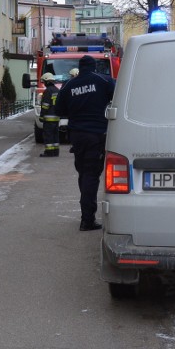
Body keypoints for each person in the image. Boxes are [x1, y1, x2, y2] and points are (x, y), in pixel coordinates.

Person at [54, 55, 115, 230]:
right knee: (91, 175)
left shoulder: (69, 85)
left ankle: (87, 215)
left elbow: (59, 109)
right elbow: (118, 97)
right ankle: (87, 220)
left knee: (84, 173)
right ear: (94, 66)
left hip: (77, 135)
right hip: (97, 135)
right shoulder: (104, 81)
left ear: (79, 67)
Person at [38, 72, 60, 157]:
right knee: (55, 135)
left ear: (47, 82)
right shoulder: (57, 90)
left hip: (48, 118)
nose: (44, 84)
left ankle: (49, 152)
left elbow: (45, 105)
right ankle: (55, 152)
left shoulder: (48, 91)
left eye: (44, 82)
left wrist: (41, 115)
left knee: (48, 135)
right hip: (56, 117)